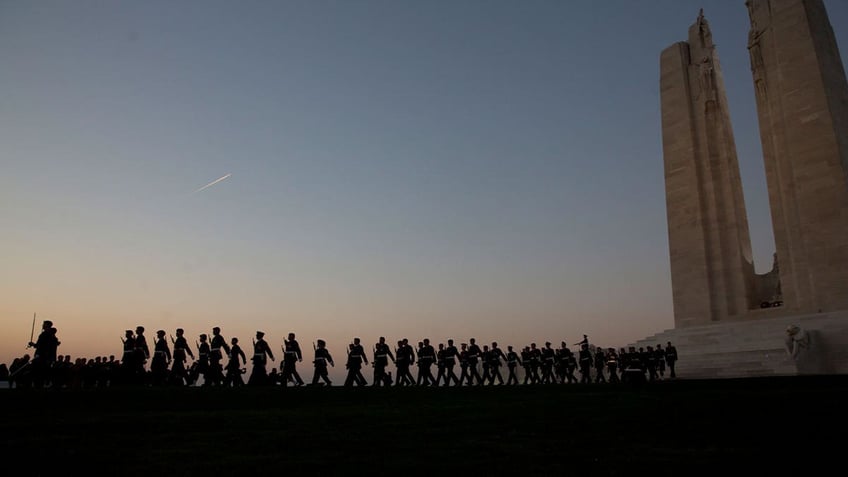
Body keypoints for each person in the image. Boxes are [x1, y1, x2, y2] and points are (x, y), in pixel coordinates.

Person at [28, 320, 59, 388]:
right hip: (48, 358)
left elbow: (40, 346)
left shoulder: (44, 335)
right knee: (43, 373)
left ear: (47, 325)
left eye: (44, 324)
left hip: (42, 357)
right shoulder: (52, 336)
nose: (42, 325)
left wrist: (33, 344)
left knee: (38, 373)